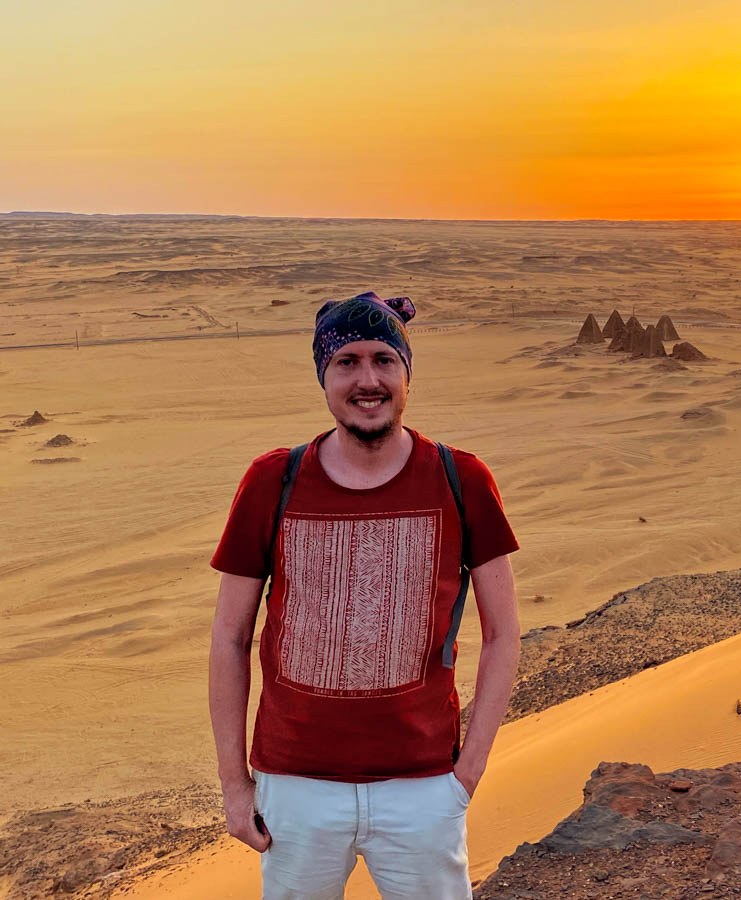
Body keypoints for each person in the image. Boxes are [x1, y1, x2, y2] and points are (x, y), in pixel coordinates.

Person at [208, 291, 520, 900]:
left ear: (407, 374)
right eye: (346, 362)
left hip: (423, 787)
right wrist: (234, 785)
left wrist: (467, 772)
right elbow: (229, 637)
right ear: (323, 377)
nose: (367, 379)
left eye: (384, 359)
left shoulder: (463, 479)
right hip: (294, 786)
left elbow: (505, 633)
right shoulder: (273, 479)